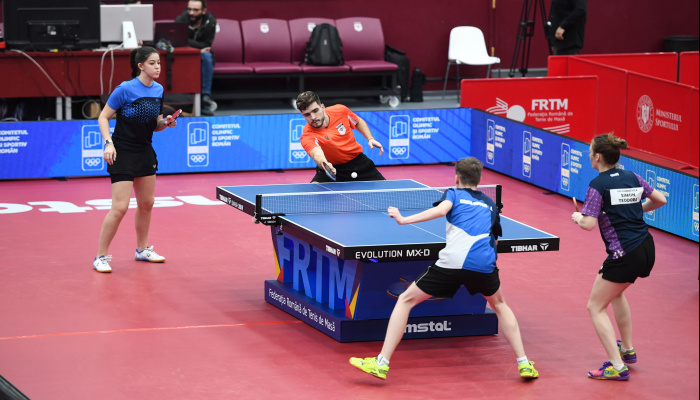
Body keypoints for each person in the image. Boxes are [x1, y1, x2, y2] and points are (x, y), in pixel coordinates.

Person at [349, 157, 539, 381]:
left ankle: (381, 363)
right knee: (499, 305)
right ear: (478, 180)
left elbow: (441, 211)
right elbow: (494, 240)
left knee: (405, 300)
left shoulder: (453, 194)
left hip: (453, 263)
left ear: (457, 178)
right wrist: (486, 265)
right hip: (484, 264)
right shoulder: (491, 204)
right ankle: (524, 363)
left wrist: (403, 219)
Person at [571, 133, 667, 380]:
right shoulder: (631, 176)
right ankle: (627, 349)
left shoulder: (598, 185)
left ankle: (616, 366)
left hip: (624, 254)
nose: (589, 156)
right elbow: (660, 200)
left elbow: (588, 224)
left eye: (590, 152)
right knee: (616, 292)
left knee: (595, 307)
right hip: (646, 248)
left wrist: (578, 217)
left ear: (598, 157)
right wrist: (634, 210)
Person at [93, 46, 178, 273]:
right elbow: (103, 117)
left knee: (147, 203)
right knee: (120, 207)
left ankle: (142, 249)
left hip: (144, 151)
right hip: (122, 152)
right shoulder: (125, 89)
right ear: (140, 66)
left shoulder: (158, 89)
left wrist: (166, 123)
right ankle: (100, 256)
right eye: (152, 63)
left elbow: (155, 124)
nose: (157, 67)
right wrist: (108, 143)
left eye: (158, 62)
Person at [296, 91, 385, 183]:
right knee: (313, 190)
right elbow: (316, 154)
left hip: (358, 163)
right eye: (307, 114)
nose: (313, 117)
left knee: (384, 189)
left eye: (315, 111)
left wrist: (370, 138)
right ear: (303, 115)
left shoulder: (340, 110)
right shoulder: (307, 135)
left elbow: (357, 121)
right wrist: (325, 164)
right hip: (331, 169)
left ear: (322, 107)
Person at [175, 0, 217, 115]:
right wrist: (198, 48)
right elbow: (177, 40)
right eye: (189, 9)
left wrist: (187, 42)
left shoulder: (210, 21)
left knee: (207, 56)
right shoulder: (180, 20)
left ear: (203, 11)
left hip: (203, 55)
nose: (191, 13)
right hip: (183, 54)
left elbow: (206, 45)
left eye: (195, 10)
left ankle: (205, 97)